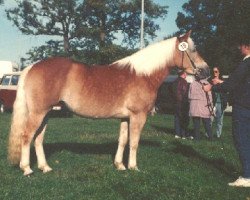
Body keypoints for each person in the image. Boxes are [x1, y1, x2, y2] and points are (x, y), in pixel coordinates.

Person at [203, 38, 250, 187]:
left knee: (241, 140)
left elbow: (232, 84)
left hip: (243, 107)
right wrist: (222, 83)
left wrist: (211, 87)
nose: (239, 48)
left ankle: (247, 177)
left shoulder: (245, 63)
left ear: (247, 47)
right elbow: (241, 84)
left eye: (240, 45)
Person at [189, 76, 213, 140]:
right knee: (207, 123)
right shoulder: (207, 84)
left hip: (194, 106)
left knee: (196, 124)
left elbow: (189, 95)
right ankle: (210, 137)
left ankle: (197, 138)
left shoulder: (192, 84)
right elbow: (209, 96)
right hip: (204, 105)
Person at [208, 67, 228, 138]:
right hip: (213, 103)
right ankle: (208, 134)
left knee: (219, 121)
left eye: (216, 71)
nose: (214, 73)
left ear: (219, 72)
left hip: (220, 103)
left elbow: (226, 89)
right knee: (210, 120)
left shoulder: (222, 82)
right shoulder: (210, 81)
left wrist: (219, 81)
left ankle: (218, 135)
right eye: (213, 72)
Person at [172, 70, 190, 139]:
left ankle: (177, 134)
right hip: (183, 103)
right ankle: (183, 134)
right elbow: (185, 93)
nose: (187, 75)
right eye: (186, 73)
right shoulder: (184, 82)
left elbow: (172, 92)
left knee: (177, 118)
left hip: (176, 103)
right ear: (183, 74)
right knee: (184, 118)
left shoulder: (174, 82)